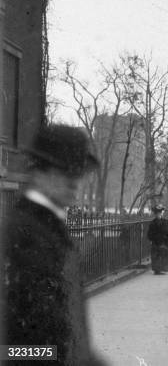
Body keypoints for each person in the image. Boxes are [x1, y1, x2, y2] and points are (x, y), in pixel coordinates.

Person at [1, 124, 107, 365]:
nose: (74, 182)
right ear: (40, 173)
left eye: (78, 173)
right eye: (65, 172)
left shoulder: (49, 227)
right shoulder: (21, 234)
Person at [147, 205, 168, 274]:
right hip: (156, 241)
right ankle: (156, 269)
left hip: (164, 241)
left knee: (164, 253)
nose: (158, 214)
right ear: (155, 214)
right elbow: (149, 234)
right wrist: (154, 238)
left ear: (161, 213)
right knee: (155, 254)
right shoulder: (152, 223)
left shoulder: (165, 222)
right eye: (157, 213)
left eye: (159, 213)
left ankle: (163, 268)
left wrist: (167, 238)